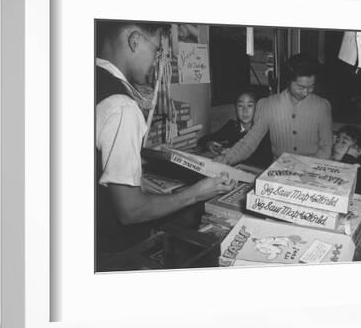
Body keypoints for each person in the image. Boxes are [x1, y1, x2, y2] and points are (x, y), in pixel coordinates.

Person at [95, 21, 235, 255]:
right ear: (135, 41)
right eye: (157, 51)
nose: (156, 62)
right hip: (111, 249)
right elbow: (131, 211)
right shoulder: (121, 107)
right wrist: (196, 193)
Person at [214, 53, 333, 165]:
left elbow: (326, 148)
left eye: (311, 87)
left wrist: (305, 167)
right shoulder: (268, 105)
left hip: (313, 170)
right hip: (279, 172)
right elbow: (250, 141)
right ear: (289, 81)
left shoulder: (322, 106)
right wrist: (227, 158)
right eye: (300, 87)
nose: (306, 92)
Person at [199, 91, 272, 168]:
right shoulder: (232, 127)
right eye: (240, 106)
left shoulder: (262, 131)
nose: (245, 111)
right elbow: (203, 139)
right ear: (235, 108)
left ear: (257, 108)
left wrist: (230, 153)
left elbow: (264, 161)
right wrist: (209, 144)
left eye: (249, 106)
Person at [332, 125, 361, 195]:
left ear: (357, 149)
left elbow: (344, 185)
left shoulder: (359, 169)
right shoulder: (331, 161)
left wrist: (350, 157)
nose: (337, 145)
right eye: (337, 141)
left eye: (344, 142)